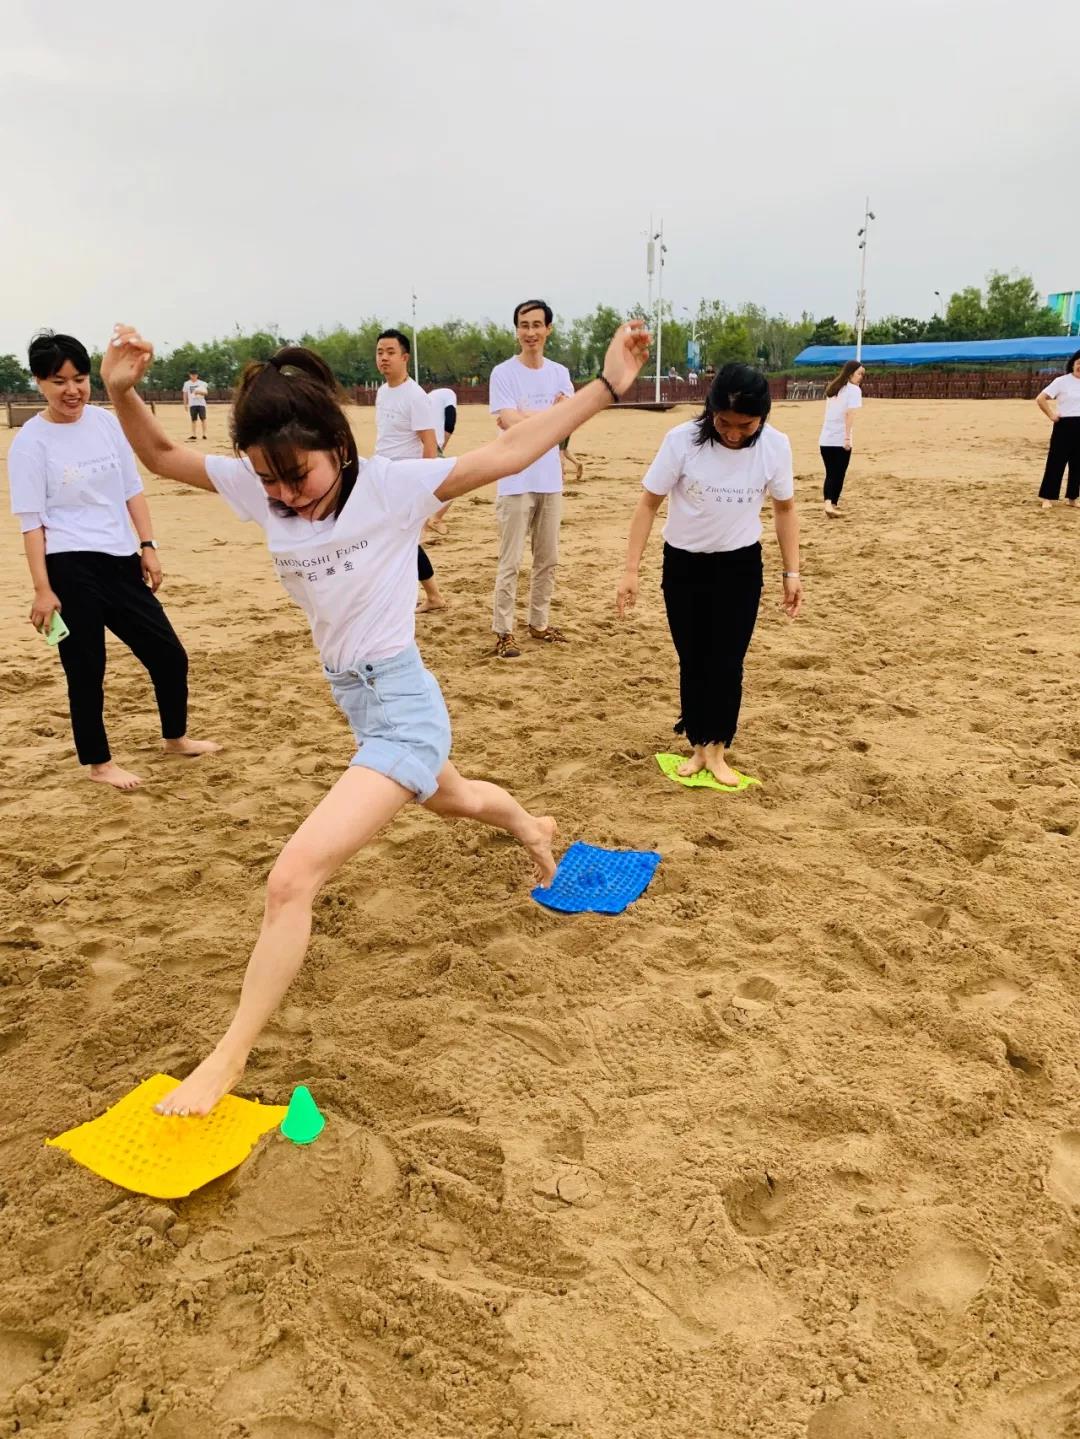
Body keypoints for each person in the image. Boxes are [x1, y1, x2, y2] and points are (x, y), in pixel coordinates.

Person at [101, 316, 649, 1115]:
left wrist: (605, 387)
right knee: (454, 798)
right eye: (272, 481)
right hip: (357, 701)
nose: (287, 496)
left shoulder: (392, 486)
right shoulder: (263, 485)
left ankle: (226, 1058)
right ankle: (532, 828)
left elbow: (507, 453)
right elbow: (158, 454)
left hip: (402, 707)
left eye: (300, 478)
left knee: (291, 880)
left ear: (340, 446)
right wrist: (122, 391)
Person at [8, 332, 220, 790]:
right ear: (39, 382)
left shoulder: (105, 424)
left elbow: (131, 488)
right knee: (86, 671)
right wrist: (43, 590)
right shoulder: (30, 442)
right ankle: (99, 763)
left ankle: (175, 738)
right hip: (68, 566)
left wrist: (148, 545)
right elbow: (32, 524)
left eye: (80, 379)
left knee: (168, 654)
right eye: (59, 381)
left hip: (121, 560)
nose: (72, 391)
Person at [616, 363, 802, 787]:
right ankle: (698, 743)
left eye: (745, 425)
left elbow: (785, 508)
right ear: (709, 410)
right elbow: (648, 504)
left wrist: (792, 571)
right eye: (723, 422)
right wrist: (631, 570)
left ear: (763, 417)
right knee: (694, 657)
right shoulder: (681, 441)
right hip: (683, 564)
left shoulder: (775, 446)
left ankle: (718, 748)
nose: (733, 433)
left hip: (739, 566)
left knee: (728, 660)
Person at [488, 299, 574, 658]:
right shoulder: (503, 373)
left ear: (548, 329)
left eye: (537, 325)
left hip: (550, 479)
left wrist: (535, 420)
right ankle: (503, 631)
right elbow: (507, 420)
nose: (530, 332)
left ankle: (538, 623)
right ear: (517, 330)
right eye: (524, 325)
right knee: (510, 561)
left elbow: (567, 423)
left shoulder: (559, 373)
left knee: (547, 558)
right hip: (514, 479)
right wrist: (549, 419)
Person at [374, 329, 447, 612]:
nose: (384, 358)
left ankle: (432, 596)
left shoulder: (415, 396)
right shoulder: (382, 391)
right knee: (392, 540)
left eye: (390, 352)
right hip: (382, 477)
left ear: (405, 357)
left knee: (401, 541)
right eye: (380, 352)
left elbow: (429, 446)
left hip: (405, 481)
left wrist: (425, 494)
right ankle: (431, 596)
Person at [819, 360, 864, 517]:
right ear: (851, 373)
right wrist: (846, 438)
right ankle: (831, 504)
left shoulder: (834, 389)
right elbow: (849, 414)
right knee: (838, 473)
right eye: (859, 374)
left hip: (825, 438)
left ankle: (829, 503)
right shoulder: (854, 391)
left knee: (831, 473)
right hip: (839, 438)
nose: (861, 377)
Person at [1036, 349, 1080, 509]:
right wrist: (1051, 415)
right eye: (1078, 363)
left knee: (1077, 464)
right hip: (1064, 425)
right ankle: (1048, 497)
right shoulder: (1061, 381)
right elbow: (1041, 398)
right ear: (1073, 364)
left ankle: (1073, 497)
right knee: (1056, 461)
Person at [182, 368, 209, 442]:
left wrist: (199, 392)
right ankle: (194, 435)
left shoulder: (202, 383)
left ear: (197, 375)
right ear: (190, 375)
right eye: (192, 375)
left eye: (195, 375)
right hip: (192, 404)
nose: (193, 376)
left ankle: (204, 434)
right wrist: (185, 404)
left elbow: (206, 393)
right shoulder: (187, 384)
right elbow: (185, 394)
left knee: (203, 418)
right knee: (193, 419)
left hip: (201, 403)